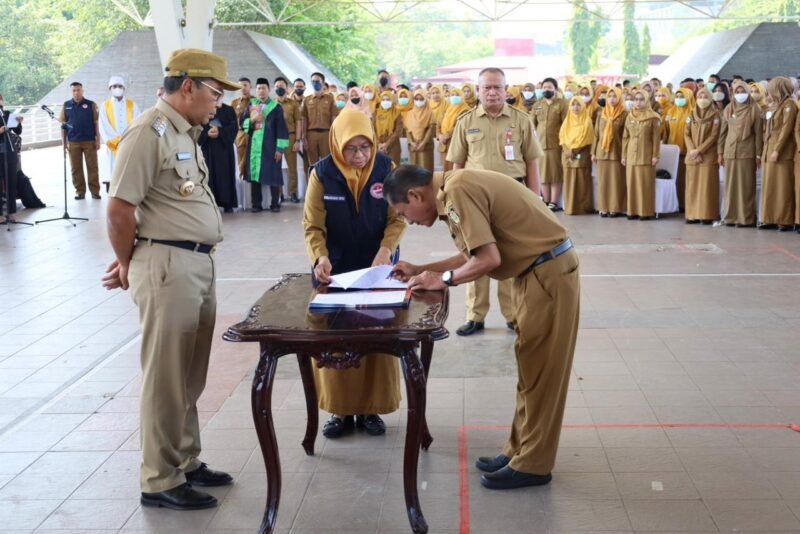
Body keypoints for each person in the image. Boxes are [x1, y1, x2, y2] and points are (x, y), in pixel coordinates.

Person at [102, 48, 241, 511]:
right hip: (167, 266)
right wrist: (126, 262)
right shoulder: (149, 132)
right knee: (165, 377)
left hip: (195, 263)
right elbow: (119, 210)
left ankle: (184, 458)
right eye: (215, 93)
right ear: (188, 87)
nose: (219, 103)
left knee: (189, 374)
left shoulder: (185, 132)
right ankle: (160, 479)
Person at [384, 164, 579, 490]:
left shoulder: (457, 190)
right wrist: (421, 269)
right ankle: (518, 451)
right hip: (534, 272)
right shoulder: (452, 189)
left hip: (548, 274)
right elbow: (473, 253)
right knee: (530, 369)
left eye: (404, 213)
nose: (410, 222)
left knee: (543, 373)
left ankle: (534, 465)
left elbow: (488, 259)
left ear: (415, 195)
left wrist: (444, 280)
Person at [302, 108, 406, 438]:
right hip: (336, 269)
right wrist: (320, 257)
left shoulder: (386, 168)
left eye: (365, 147)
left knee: (377, 335)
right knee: (336, 338)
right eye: (351, 148)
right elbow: (312, 225)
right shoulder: (322, 173)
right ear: (337, 145)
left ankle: (372, 408)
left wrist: (386, 250)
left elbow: (398, 217)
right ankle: (341, 410)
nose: (359, 155)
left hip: (377, 265)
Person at [447, 67, 543, 336]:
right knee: (476, 254)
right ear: (478, 91)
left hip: (512, 198)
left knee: (510, 256)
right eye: (486, 87)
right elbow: (457, 166)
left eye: (497, 87)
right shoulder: (465, 121)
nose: (492, 92)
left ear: (505, 90)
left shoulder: (521, 120)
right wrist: (453, 201)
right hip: (474, 201)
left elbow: (532, 163)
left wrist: (535, 201)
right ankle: (475, 315)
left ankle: (512, 315)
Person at [719, 80, 763, 227]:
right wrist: (720, 152)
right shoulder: (728, 109)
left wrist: (758, 154)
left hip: (747, 153)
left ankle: (746, 218)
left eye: (743, 92)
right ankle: (730, 217)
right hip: (730, 152)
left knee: (746, 186)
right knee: (730, 187)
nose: (740, 95)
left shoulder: (755, 109)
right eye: (737, 92)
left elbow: (759, 134)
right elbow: (722, 133)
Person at [242, 78, 289, 213]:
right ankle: (256, 204)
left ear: (269, 90)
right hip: (254, 146)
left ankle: (275, 203)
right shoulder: (252, 105)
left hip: (270, 145)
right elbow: (243, 123)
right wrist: (251, 120)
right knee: (255, 175)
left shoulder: (276, 107)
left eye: (263, 88)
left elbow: (281, 129)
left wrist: (279, 149)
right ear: (255, 90)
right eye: (258, 88)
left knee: (273, 173)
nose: (261, 91)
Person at [759, 77, 797, 231]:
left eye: (772, 88)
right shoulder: (773, 106)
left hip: (782, 152)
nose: (770, 91)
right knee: (770, 186)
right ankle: (770, 218)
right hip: (768, 150)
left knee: (782, 187)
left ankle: (784, 220)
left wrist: (777, 150)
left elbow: (786, 129)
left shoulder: (789, 105)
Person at [622, 89, 661, 220]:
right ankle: (632, 211)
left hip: (646, 154)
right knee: (632, 183)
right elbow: (625, 137)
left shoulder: (653, 117)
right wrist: (623, 155)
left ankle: (645, 212)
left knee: (644, 184)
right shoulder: (630, 116)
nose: (638, 102)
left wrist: (655, 155)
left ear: (647, 100)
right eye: (636, 99)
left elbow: (656, 138)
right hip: (631, 155)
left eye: (641, 99)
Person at [684, 87, 721, 224]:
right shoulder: (691, 114)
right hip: (692, 156)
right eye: (700, 97)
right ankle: (692, 214)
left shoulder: (716, 115)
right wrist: (692, 150)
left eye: (705, 97)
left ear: (710, 99)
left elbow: (714, 135)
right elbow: (686, 134)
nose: (702, 99)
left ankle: (706, 215)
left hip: (708, 156)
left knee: (706, 187)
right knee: (692, 186)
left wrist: (699, 150)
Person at [99, 76, 141, 192]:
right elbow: (104, 125)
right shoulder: (105, 105)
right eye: (114, 86)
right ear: (110, 89)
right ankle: (116, 192)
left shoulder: (132, 105)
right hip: (114, 145)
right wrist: (115, 140)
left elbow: (138, 122)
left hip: (130, 143)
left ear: (124, 88)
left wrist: (129, 138)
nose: (117, 88)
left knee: (130, 168)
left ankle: (130, 191)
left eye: (119, 86)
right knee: (114, 169)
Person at [59, 81, 101, 200]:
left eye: (78, 90)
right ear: (71, 92)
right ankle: (80, 191)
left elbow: (96, 123)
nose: (76, 92)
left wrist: (98, 139)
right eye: (74, 90)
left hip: (89, 141)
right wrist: (64, 143)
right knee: (76, 168)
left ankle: (95, 191)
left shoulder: (91, 104)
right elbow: (63, 125)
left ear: (82, 91)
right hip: (73, 142)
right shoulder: (66, 105)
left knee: (92, 167)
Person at [533, 77, 568, 210]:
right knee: (543, 175)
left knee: (555, 174)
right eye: (544, 87)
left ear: (555, 89)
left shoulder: (562, 104)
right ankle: (546, 201)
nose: (546, 89)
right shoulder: (537, 105)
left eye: (549, 87)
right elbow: (532, 124)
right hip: (540, 145)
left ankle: (554, 201)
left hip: (556, 145)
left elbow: (566, 124)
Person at [593, 87, 628, 217]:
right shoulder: (601, 113)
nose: (612, 99)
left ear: (620, 98)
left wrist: (624, 154)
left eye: (614, 96)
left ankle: (615, 208)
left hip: (617, 153)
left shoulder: (625, 114)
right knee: (603, 182)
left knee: (616, 182)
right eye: (609, 96)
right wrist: (593, 152)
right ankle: (603, 207)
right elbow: (596, 134)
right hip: (601, 153)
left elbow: (626, 137)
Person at [199, 101, 238, 212]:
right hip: (208, 150)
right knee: (209, 175)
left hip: (224, 150)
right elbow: (197, 127)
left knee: (225, 176)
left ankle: (227, 203)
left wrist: (220, 131)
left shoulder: (228, 110)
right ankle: (210, 203)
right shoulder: (203, 108)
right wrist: (207, 133)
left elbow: (234, 128)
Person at [560, 96, 595, 215]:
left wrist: (573, 151)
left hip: (581, 155)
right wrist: (567, 150)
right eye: (573, 104)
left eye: (578, 104)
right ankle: (570, 207)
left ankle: (582, 208)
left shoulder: (587, 121)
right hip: (567, 156)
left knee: (582, 182)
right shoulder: (566, 122)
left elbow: (587, 139)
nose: (575, 107)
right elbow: (562, 138)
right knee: (568, 182)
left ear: (583, 106)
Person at [663, 87, 695, 211]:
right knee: (674, 179)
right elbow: (666, 131)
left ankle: (685, 204)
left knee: (685, 180)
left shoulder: (693, 113)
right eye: (677, 97)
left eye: (682, 97)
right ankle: (674, 205)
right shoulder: (670, 112)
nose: (679, 99)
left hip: (687, 152)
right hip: (672, 152)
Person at [274, 76, 303, 203]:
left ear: (287, 88)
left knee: (292, 167)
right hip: (276, 139)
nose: (279, 88)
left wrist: (297, 140)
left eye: (282, 86)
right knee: (276, 167)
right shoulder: (271, 104)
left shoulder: (293, 104)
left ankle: (293, 193)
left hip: (290, 136)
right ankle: (279, 194)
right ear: (274, 89)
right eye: (277, 86)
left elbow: (298, 122)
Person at [302, 72, 335, 169]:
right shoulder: (307, 100)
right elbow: (304, 119)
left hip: (326, 134)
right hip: (311, 135)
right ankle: (313, 179)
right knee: (313, 164)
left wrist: (333, 136)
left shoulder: (330, 99)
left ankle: (327, 179)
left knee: (327, 162)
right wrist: (304, 137)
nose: (315, 83)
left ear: (323, 83)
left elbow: (333, 118)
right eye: (313, 81)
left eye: (317, 81)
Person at [0, 94, 23, 221]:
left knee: (11, 182)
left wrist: (18, 123)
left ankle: (12, 212)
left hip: (10, 150)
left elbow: (17, 131)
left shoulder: (7, 114)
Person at [438, 88, 470, 172]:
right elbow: (440, 123)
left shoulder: (465, 109)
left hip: (456, 142)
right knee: (446, 170)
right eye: (452, 95)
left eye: (457, 95)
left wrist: (447, 135)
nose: (454, 97)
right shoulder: (449, 108)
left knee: (454, 170)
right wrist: (440, 135)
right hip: (444, 143)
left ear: (462, 96)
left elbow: (459, 125)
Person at [405, 88, 435, 171]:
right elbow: (407, 130)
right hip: (413, 146)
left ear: (425, 99)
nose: (419, 101)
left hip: (426, 146)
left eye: (421, 99)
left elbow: (431, 129)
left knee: (425, 169)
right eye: (416, 99)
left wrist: (423, 143)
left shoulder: (430, 112)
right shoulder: (410, 113)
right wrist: (412, 142)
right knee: (414, 169)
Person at [231, 77, 252, 182]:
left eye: (245, 85)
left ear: (250, 87)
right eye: (240, 86)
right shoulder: (234, 103)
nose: (243, 88)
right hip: (240, 134)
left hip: (253, 134)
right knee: (241, 158)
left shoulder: (256, 101)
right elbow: (231, 120)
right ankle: (241, 177)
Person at [375, 91, 403, 165]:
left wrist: (387, 144)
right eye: (383, 100)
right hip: (378, 146)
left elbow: (398, 131)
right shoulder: (376, 113)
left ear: (392, 100)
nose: (385, 102)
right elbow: (373, 130)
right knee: (380, 168)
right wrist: (379, 144)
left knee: (393, 168)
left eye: (388, 99)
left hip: (393, 146)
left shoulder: (397, 113)